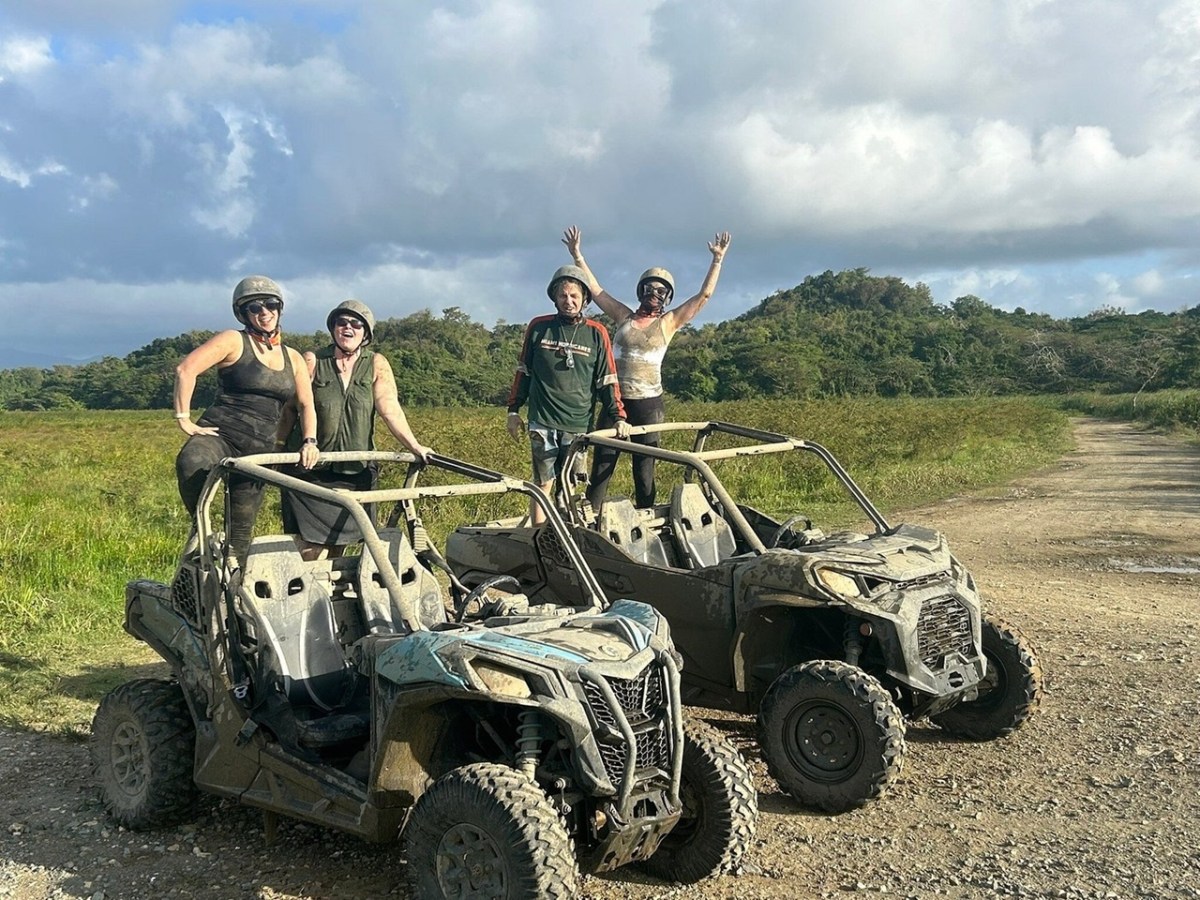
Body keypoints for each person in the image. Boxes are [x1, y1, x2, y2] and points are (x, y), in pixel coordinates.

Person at [563, 226, 730, 509]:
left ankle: (645, 519)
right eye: (650, 289)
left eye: (660, 291)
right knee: (603, 463)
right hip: (615, 400)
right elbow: (597, 291)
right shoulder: (623, 317)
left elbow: (704, 297)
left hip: (648, 404)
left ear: (667, 297)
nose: (654, 293)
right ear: (640, 291)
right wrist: (577, 256)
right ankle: (590, 521)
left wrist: (717, 260)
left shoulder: (669, 322)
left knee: (644, 469)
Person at [173, 275, 319, 565]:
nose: (264, 312)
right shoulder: (233, 340)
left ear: (279, 309)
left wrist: (309, 441)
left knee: (239, 539)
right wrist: (184, 419)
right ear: (243, 314)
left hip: (258, 449)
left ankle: (230, 596)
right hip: (221, 434)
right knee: (191, 462)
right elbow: (185, 370)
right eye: (254, 307)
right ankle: (202, 530)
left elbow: (306, 405)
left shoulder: (293, 358)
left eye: (270, 305)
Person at [280, 299, 433, 559]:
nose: (348, 328)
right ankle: (309, 596)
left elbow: (389, 408)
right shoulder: (313, 360)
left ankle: (331, 599)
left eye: (356, 324)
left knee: (340, 547)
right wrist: (278, 447)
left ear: (366, 334)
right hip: (311, 469)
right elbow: (291, 408)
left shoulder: (376, 363)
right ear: (333, 328)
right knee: (310, 549)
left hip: (355, 469)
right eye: (342, 323)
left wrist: (415, 446)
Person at [506, 265, 630, 524]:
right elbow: (524, 371)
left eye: (574, 296)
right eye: (563, 295)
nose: (568, 301)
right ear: (554, 297)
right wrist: (514, 410)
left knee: (570, 487)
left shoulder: (597, 333)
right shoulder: (539, 327)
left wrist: (619, 416)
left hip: (577, 423)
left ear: (585, 298)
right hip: (542, 420)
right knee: (543, 484)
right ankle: (538, 538)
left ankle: (569, 536)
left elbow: (607, 380)